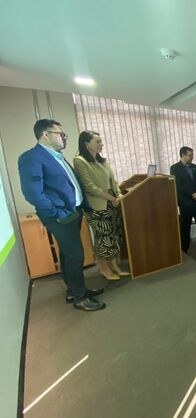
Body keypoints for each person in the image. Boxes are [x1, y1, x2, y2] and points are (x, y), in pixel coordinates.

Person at [18, 120, 105, 311]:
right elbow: (32, 193)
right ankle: (80, 299)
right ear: (45, 134)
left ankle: (74, 291)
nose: (64, 137)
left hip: (73, 211)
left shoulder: (56, 156)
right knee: (76, 256)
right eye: (60, 134)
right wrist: (55, 213)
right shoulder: (31, 157)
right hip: (60, 215)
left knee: (67, 254)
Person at [73, 130, 129, 281]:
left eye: (101, 141)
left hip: (112, 203)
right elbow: (90, 187)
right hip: (97, 205)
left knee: (113, 236)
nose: (101, 144)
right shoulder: (80, 161)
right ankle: (104, 268)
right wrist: (112, 198)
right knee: (103, 237)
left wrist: (119, 195)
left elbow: (113, 182)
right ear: (86, 143)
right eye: (97, 141)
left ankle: (114, 266)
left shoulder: (102, 161)